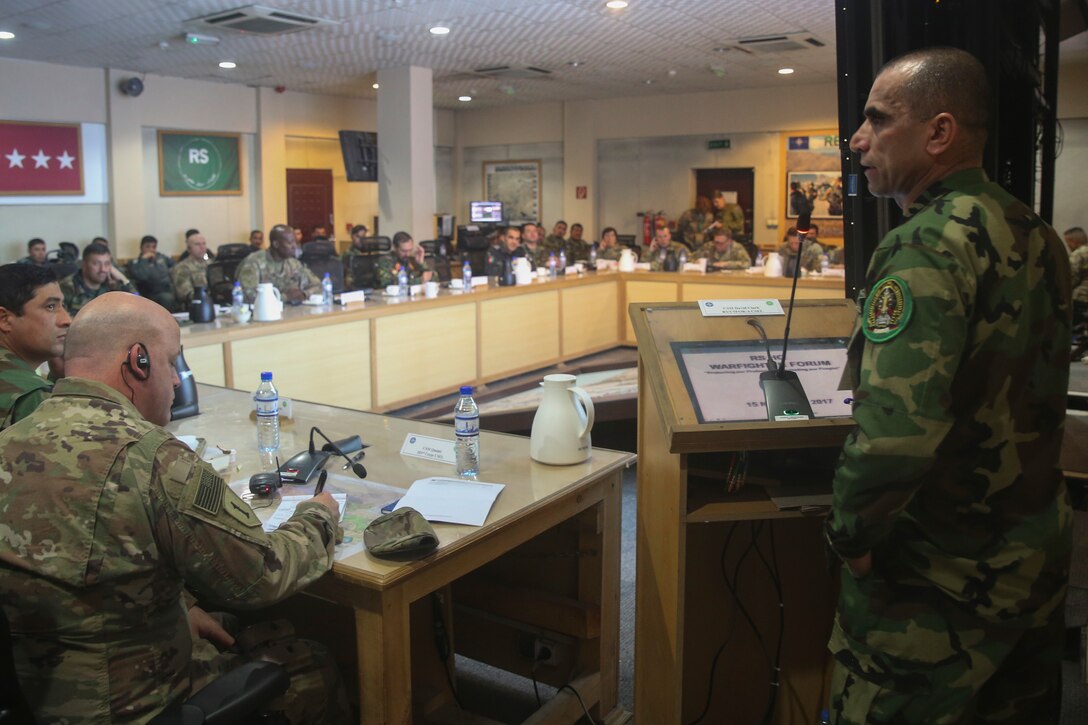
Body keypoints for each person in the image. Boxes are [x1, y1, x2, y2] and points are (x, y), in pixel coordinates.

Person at [826, 47, 1072, 724]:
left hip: (936, 587)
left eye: (878, 119)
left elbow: (893, 440)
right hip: (1030, 563)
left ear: (938, 133)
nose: (858, 139)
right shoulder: (1039, 235)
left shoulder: (926, 245)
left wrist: (851, 536)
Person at [0, 292, 348, 723]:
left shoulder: (11, 439)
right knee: (311, 662)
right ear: (138, 361)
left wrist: (184, 606)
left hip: (36, 697)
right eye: (172, 362)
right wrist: (318, 515)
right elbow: (261, 577)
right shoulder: (153, 457)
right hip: (139, 704)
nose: (179, 381)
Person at [0, 264, 70, 430]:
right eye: (50, 306)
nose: (67, 319)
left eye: (62, 306)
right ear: (4, 319)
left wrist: (59, 378)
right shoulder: (31, 397)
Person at [236, 225, 321, 304]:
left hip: (291, 313)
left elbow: (318, 285)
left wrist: (304, 294)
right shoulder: (254, 263)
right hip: (261, 315)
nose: (294, 246)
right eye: (290, 243)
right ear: (276, 244)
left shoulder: (293, 263)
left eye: (294, 242)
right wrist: (285, 297)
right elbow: (247, 297)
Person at [59, 242, 134, 314]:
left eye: (107, 264)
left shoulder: (112, 284)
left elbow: (138, 301)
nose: (103, 269)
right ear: (84, 265)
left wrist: (124, 279)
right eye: (96, 264)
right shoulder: (67, 286)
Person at [126, 234, 176, 310]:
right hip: (150, 294)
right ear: (141, 248)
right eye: (148, 247)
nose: (151, 250)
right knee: (166, 298)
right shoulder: (135, 263)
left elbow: (176, 266)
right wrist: (144, 261)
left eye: (154, 247)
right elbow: (142, 276)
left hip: (168, 289)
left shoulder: (161, 257)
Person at [170, 232, 212, 310]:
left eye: (204, 244)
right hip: (194, 307)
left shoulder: (211, 264)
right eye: (197, 244)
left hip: (214, 304)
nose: (202, 247)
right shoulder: (182, 268)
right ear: (189, 249)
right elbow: (184, 294)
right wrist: (209, 296)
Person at [340, 224, 371, 289]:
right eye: (357, 236)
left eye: (363, 237)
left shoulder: (369, 251)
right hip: (353, 285)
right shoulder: (348, 253)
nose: (360, 240)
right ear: (352, 236)